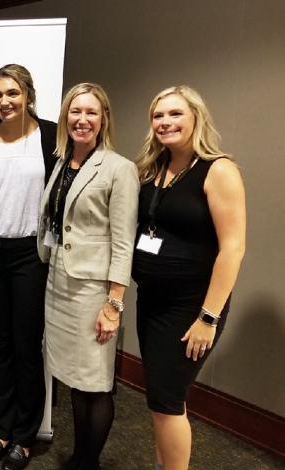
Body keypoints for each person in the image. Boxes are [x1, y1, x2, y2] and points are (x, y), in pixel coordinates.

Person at [132, 86, 246, 470]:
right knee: (162, 399)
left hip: (191, 308)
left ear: (195, 117)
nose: (165, 122)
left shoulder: (218, 170)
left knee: (167, 401)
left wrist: (208, 317)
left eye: (175, 114)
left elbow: (233, 248)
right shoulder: (155, 167)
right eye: (158, 116)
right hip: (152, 302)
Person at [36, 83, 139, 470]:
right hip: (59, 280)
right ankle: (81, 457)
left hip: (92, 290)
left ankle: (88, 462)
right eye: (75, 112)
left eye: (91, 113)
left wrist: (113, 304)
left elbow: (123, 241)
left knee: (96, 383)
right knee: (74, 378)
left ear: (104, 119)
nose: (82, 120)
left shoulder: (119, 168)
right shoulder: (63, 161)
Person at [0, 64, 57, 470]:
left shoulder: (52, 135)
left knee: (26, 346)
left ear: (28, 95)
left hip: (30, 255)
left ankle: (25, 437)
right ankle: (0, 431)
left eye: (13, 94)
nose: (5, 101)